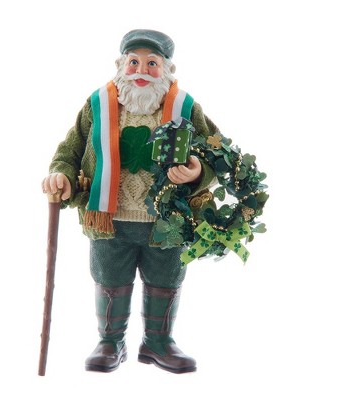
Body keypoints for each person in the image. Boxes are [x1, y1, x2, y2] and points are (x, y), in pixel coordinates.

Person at [42, 29, 221, 374]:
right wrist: (60, 174)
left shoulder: (185, 107)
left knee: (166, 278)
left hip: (167, 220)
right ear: (120, 64)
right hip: (108, 219)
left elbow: (216, 152)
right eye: (134, 62)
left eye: (152, 63)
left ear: (167, 69)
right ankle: (110, 341)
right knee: (110, 277)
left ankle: (158, 342)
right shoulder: (98, 105)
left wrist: (198, 170)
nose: (142, 70)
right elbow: (70, 150)